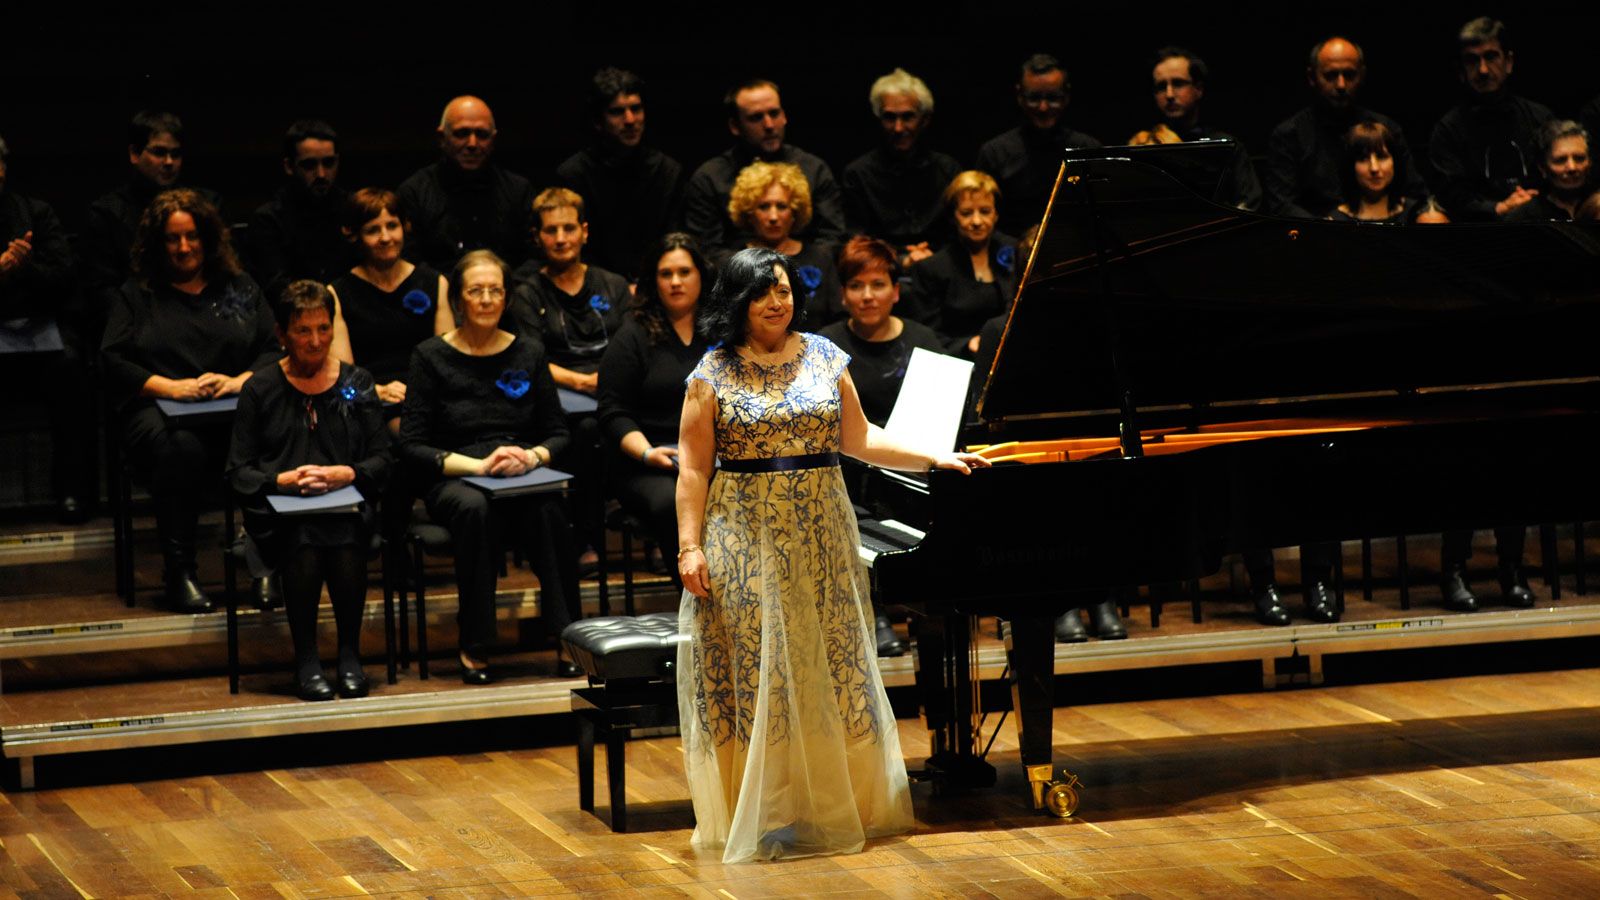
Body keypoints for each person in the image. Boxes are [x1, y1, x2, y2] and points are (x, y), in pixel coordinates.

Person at [675, 246, 988, 862]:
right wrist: (690, 547)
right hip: (743, 534)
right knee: (758, 666)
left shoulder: (824, 355)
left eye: (785, 291)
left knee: (829, 659)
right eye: (763, 293)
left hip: (822, 530)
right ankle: (762, 809)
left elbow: (861, 438)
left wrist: (934, 457)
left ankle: (833, 804)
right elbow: (692, 469)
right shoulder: (711, 373)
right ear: (740, 301)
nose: (777, 302)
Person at [398, 250, 581, 682]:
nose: (485, 299)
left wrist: (531, 456)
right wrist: (478, 467)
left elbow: (558, 432)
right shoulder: (429, 355)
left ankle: (567, 635)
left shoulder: (530, 352)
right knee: (475, 511)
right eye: (475, 291)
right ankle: (475, 641)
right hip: (460, 473)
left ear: (506, 297)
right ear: (459, 299)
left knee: (549, 509)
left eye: (494, 290)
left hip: (519, 469)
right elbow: (412, 445)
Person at [101, 189, 279, 612]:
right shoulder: (137, 294)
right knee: (182, 449)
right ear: (157, 245)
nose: (184, 248)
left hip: (233, 405)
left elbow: (273, 347)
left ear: (209, 238)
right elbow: (112, 360)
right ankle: (180, 572)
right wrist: (170, 387)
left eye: (193, 236)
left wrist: (240, 381)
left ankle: (266, 564)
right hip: (160, 411)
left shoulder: (237, 286)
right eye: (172, 239)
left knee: (270, 436)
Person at [227, 281, 391, 701]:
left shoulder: (358, 382)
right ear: (282, 335)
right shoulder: (259, 389)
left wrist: (347, 474)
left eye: (323, 329)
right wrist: (280, 480)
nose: (315, 341)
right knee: (304, 538)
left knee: (344, 534)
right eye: (303, 331)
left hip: (347, 510)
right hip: (280, 517)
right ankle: (307, 662)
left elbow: (382, 460)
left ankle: (350, 656)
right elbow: (237, 472)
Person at [817, 236, 945, 657]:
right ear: (842, 294)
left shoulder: (924, 339)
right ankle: (875, 613)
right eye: (856, 286)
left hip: (911, 470)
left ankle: (926, 610)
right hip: (849, 472)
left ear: (896, 290)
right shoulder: (825, 346)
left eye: (877, 284)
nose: (867, 295)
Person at [596, 233, 713, 575]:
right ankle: (693, 605)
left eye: (684, 272)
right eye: (666, 274)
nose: (676, 282)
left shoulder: (720, 331)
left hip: (710, 457)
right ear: (654, 280)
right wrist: (648, 453)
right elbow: (612, 411)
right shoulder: (632, 335)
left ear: (701, 276)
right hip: (649, 463)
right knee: (670, 502)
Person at [0, 133, 93, 523]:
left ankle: (71, 492)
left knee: (73, 367)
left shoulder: (36, 213)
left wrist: (23, 267)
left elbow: (63, 276)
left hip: (38, 327)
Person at [83, 111, 222, 348]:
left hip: (200, 318)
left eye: (175, 154)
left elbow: (222, 269)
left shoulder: (205, 206)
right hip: (137, 330)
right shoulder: (107, 213)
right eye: (159, 152)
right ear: (134, 154)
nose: (169, 162)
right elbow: (102, 291)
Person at [682, 79, 846, 259]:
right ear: (735, 126)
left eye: (774, 114)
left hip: (807, 276)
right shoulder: (709, 178)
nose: (769, 125)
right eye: (756, 118)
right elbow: (706, 250)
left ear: (784, 116)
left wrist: (793, 275)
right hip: (738, 279)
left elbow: (832, 238)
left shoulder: (814, 169)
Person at [1266, 37, 1428, 218]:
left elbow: (1417, 194)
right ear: (1312, 77)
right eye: (1330, 75)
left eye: (1349, 75)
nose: (1341, 85)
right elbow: (1282, 205)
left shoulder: (1386, 129)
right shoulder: (1290, 135)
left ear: (1362, 75)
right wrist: (1331, 232)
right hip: (1316, 237)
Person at [328, 188, 453, 411]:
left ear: (405, 227)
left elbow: (446, 362)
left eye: (392, 226)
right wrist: (378, 391)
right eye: (373, 230)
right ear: (356, 235)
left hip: (427, 398)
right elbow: (344, 374)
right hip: (369, 402)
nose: (385, 238)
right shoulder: (337, 293)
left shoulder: (435, 282)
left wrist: (418, 394)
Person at [556, 67, 684, 280]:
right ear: (598, 121)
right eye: (617, 112)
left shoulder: (667, 171)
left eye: (636, 108)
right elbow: (575, 249)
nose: (630, 120)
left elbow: (675, 242)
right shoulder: (573, 175)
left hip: (656, 286)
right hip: (594, 287)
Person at [507, 187, 630, 394]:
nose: (561, 239)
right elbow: (530, 358)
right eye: (551, 230)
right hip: (560, 393)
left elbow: (633, 348)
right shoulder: (527, 295)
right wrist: (582, 382)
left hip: (617, 386)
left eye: (569, 228)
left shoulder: (615, 284)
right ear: (537, 237)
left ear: (585, 232)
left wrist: (610, 379)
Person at [1429, 17, 1554, 221]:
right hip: (1477, 229)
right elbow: (1451, 194)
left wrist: (1527, 205)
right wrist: (1498, 208)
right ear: (1461, 71)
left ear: (1509, 62)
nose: (1483, 70)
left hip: (1540, 221)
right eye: (1472, 60)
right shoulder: (1448, 130)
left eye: (1491, 56)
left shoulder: (1541, 119)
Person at [398, 96, 535, 272]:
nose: (472, 144)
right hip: (437, 296)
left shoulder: (519, 191)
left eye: (482, 135)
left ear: (493, 140)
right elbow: (407, 263)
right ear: (441, 137)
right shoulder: (414, 193)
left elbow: (535, 257)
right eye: (462, 134)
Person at [841, 69, 961, 268]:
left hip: (941, 270)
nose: (898, 128)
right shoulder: (857, 174)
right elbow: (855, 241)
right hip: (880, 272)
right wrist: (902, 261)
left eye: (908, 117)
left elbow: (958, 235)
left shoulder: (949, 171)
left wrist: (931, 258)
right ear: (879, 119)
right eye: (889, 117)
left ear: (925, 120)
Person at [975, 54, 1100, 238]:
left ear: (1066, 96)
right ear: (1019, 95)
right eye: (1034, 98)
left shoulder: (1088, 149)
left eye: (1053, 98)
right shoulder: (994, 153)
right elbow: (981, 219)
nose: (1043, 107)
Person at [907, 171, 1018, 357]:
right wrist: (968, 345)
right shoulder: (932, 268)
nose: (976, 221)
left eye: (985, 211)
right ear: (953, 217)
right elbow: (926, 335)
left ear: (996, 214)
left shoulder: (1016, 252)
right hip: (958, 360)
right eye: (966, 213)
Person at [1138, 47, 1261, 210]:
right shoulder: (1142, 146)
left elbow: (1249, 203)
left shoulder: (1226, 147)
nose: (1169, 94)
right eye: (1161, 86)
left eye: (1178, 83)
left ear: (1198, 89)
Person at [726, 162, 842, 325]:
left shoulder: (820, 258)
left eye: (781, 206)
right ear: (749, 214)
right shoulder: (735, 264)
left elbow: (837, 318)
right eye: (764, 206)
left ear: (795, 212)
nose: (773, 216)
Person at [246, 120, 350, 301]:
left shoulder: (353, 209)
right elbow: (278, 289)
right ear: (289, 166)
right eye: (309, 165)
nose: (321, 174)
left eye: (329, 163)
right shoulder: (268, 220)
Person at [1328, 121, 1423, 222]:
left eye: (1381, 157)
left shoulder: (1418, 215)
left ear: (1394, 161)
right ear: (1351, 166)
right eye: (1363, 159)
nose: (1374, 168)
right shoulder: (1334, 222)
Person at [1503, 121, 1592, 222]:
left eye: (1579, 158)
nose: (1572, 167)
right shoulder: (1525, 217)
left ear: (1590, 162)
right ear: (1542, 168)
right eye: (1560, 160)